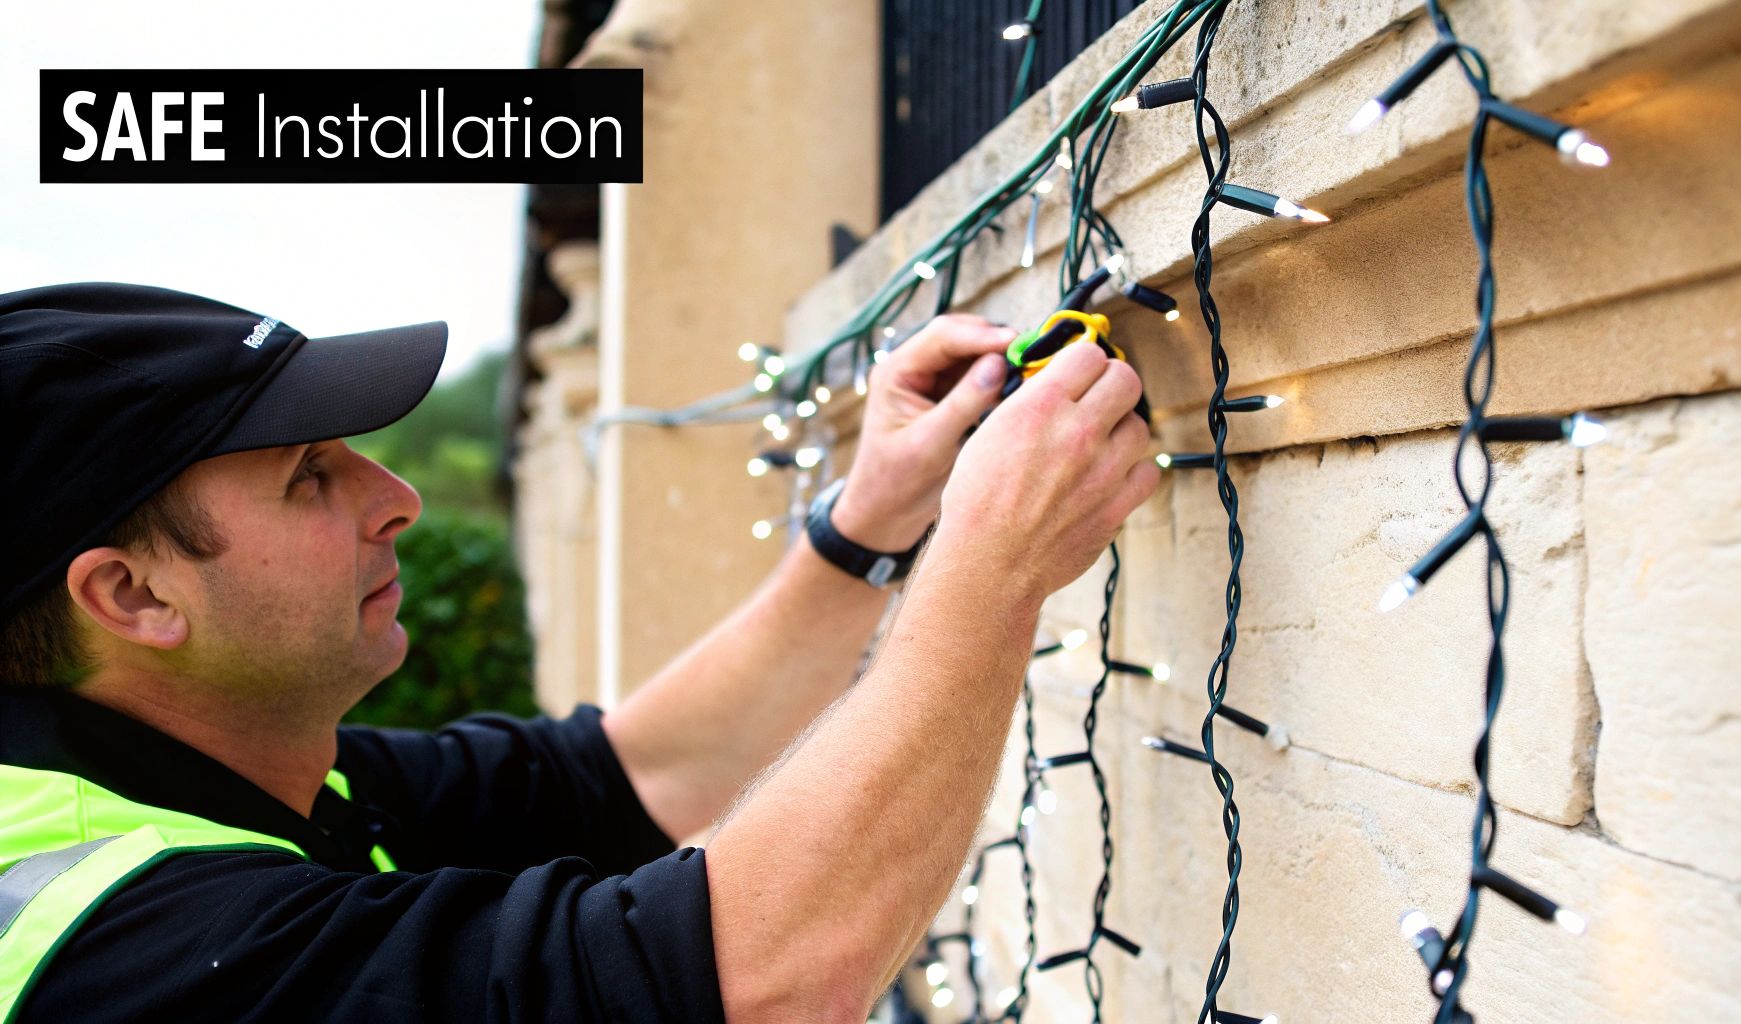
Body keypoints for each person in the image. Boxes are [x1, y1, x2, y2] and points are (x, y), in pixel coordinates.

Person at [0, 282, 1157, 1021]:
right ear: (131, 593)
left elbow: (633, 775)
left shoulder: (216, 772)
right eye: (308, 474)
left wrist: (867, 527)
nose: (396, 495)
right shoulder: (128, 951)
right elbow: (758, 979)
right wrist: (992, 565)